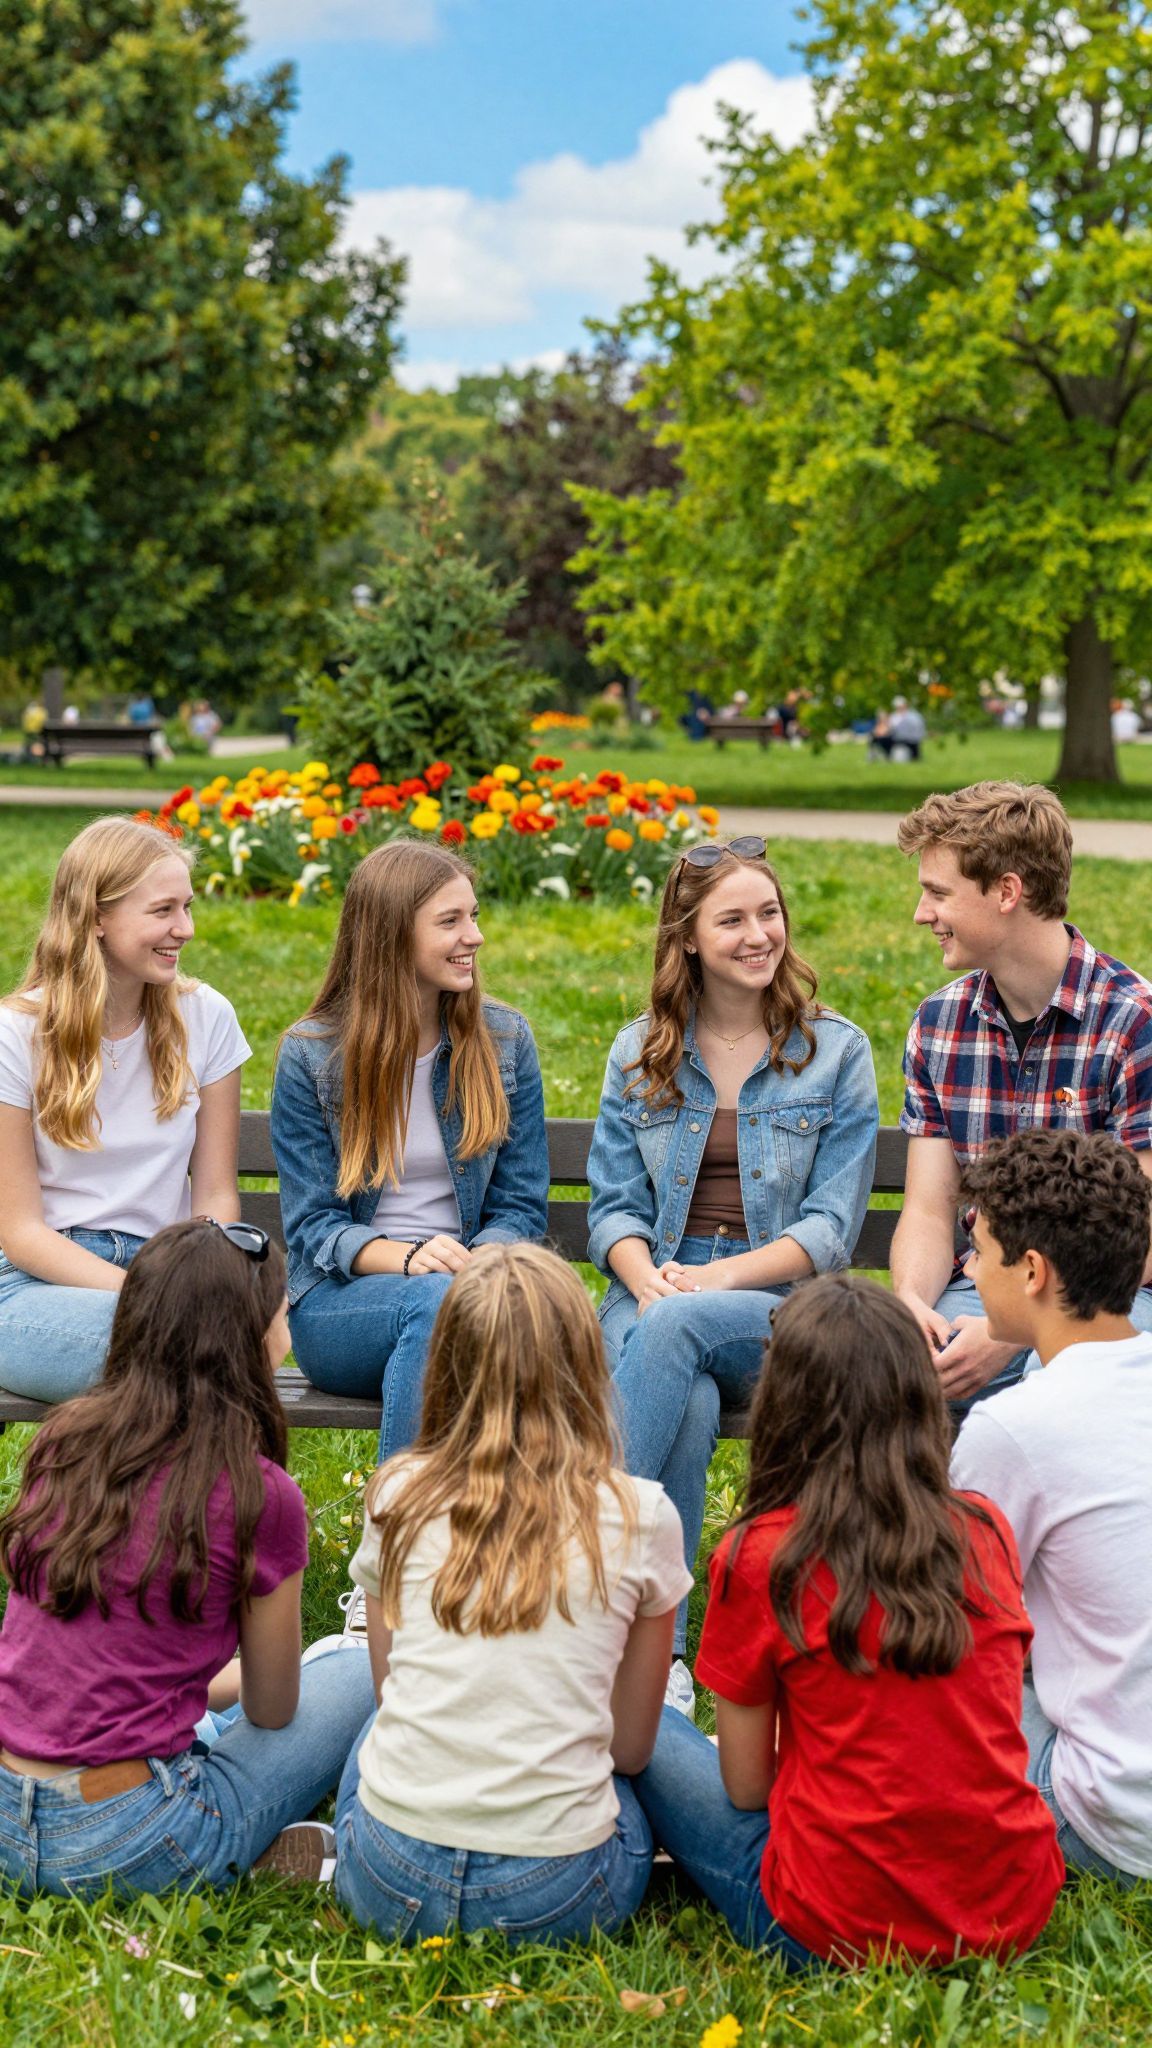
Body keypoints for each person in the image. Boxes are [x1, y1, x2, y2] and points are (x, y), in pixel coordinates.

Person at [632, 1274, 1063, 1967]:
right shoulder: (984, 1528)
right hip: (1011, 1908)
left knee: (644, 1722)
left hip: (831, 1925)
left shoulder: (764, 1554)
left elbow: (747, 1790)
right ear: (918, 1401)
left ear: (783, 1406)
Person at [0, 1220, 377, 1896]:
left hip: (8, 1818)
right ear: (256, 1341)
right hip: (130, 1834)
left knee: (206, 1705)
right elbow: (272, 1708)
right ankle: (256, 1840)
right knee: (352, 1672)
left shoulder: (64, 1442)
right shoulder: (258, 1494)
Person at [587, 838, 878, 1711]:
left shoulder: (834, 1052)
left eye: (770, 914)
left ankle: (583, 1592)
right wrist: (646, 1282)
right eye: (734, 920)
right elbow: (614, 1212)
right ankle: (663, 1662)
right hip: (654, 1294)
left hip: (781, 1311)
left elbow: (829, 1232)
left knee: (673, 1334)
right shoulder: (641, 1050)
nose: (760, 935)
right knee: (692, 1395)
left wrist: (702, 1289)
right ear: (687, 938)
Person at [333, 1243, 690, 1945]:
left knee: (370, 1715)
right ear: (585, 1365)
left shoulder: (396, 1494)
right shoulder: (643, 1512)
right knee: (646, 1752)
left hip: (387, 1878)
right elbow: (632, 1752)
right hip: (555, 1898)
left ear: (447, 1366)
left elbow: (386, 1692)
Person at [271, 840, 548, 1463]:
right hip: (343, 1301)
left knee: (462, 1314)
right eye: (450, 922)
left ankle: (455, 1541)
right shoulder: (314, 1055)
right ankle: (401, 1536)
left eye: (473, 916)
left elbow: (521, 1209)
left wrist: (471, 1268)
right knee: (434, 1304)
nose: (473, 936)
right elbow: (315, 1225)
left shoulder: (503, 1040)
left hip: (480, 1288)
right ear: (391, 936)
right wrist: (408, 1258)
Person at [891, 781, 1152, 1410]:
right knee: (891, 1385)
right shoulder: (938, 1024)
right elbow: (930, 1211)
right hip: (983, 1287)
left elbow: (1141, 1234)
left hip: (1119, 1298)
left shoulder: (1133, 1023)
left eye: (937, 893)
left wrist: (1012, 1334)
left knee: (1063, 1391)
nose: (922, 913)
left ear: (1007, 892)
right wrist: (910, 1308)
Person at [952, 1129, 1152, 1887]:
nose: (968, 1268)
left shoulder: (1016, 1426)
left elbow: (956, 1631)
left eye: (981, 1249)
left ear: (1032, 1271)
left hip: (1110, 1824)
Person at [0, 817, 250, 1403]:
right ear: (94, 919)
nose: (184, 929)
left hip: (168, 1270)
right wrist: (152, 1297)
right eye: (163, 910)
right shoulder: (18, 1033)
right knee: (167, 1353)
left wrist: (205, 1289)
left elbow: (215, 1196)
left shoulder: (207, 1017)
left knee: (201, 1348)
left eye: (187, 907)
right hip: (34, 1284)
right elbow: (19, 1231)